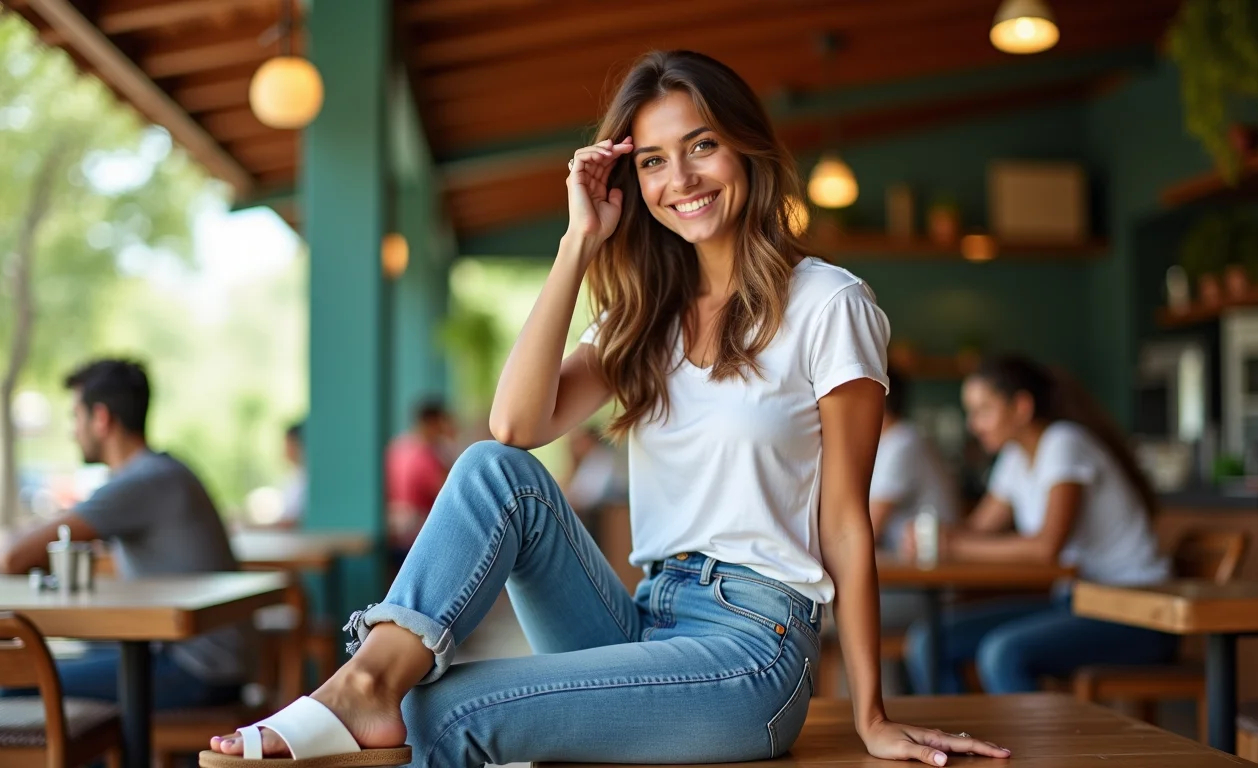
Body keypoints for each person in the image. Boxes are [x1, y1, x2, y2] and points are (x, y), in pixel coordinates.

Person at [206, 51, 1009, 767]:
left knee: (443, 713)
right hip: (644, 615)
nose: (680, 179)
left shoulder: (829, 303)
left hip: (753, 648)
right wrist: (577, 242)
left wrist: (871, 715)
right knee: (495, 473)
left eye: (701, 146)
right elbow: (515, 429)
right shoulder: (644, 317)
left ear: (746, 147)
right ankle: (366, 682)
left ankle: (366, 692)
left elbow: (846, 524)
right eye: (653, 160)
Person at [901, 354, 1178, 694]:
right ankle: (956, 730)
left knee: (1003, 654)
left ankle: (1037, 734)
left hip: (1137, 612)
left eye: (983, 410)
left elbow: (1047, 547)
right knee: (928, 641)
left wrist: (954, 545)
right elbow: (976, 529)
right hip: (1076, 603)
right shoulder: (1015, 457)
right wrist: (931, 535)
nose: (973, 425)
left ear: (1021, 407)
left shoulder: (1064, 443)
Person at [0, 359, 253, 708]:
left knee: (16, 680)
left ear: (101, 418)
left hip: (195, 669)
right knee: (58, 659)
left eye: (75, 416)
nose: (72, 431)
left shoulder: (142, 481)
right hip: (199, 657)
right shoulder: (161, 472)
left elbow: (14, 558)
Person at [867, 369, 959, 695]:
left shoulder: (902, 443)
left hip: (929, 589)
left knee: (827, 611)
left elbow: (866, 529)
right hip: (908, 582)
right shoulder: (889, 443)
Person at [384, 400, 456, 570]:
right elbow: (451, 494)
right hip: (417, 540)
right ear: (433, 423)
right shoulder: (427, 456)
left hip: (393, 533)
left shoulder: (397, 448)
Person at [279, 420, 306, 527]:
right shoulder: (294, 476)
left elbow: (292, 522)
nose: (285, 450)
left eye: (288, 444)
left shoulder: (307, 479)